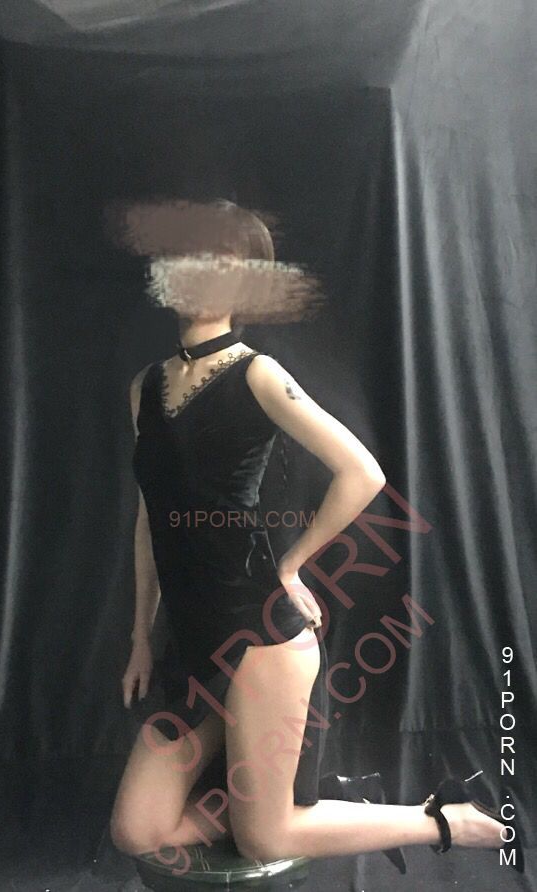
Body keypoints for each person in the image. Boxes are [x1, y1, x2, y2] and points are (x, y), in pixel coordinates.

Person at [108, 200, 511, 872]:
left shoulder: (258, 374)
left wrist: (291, 567)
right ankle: (303, 802)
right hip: (192, 643)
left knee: (265, 840)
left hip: (261, 636)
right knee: (138, 830)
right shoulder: (143, 389)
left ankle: (446, 820)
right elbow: (149, 519)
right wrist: (140, 639)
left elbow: (363, 473)